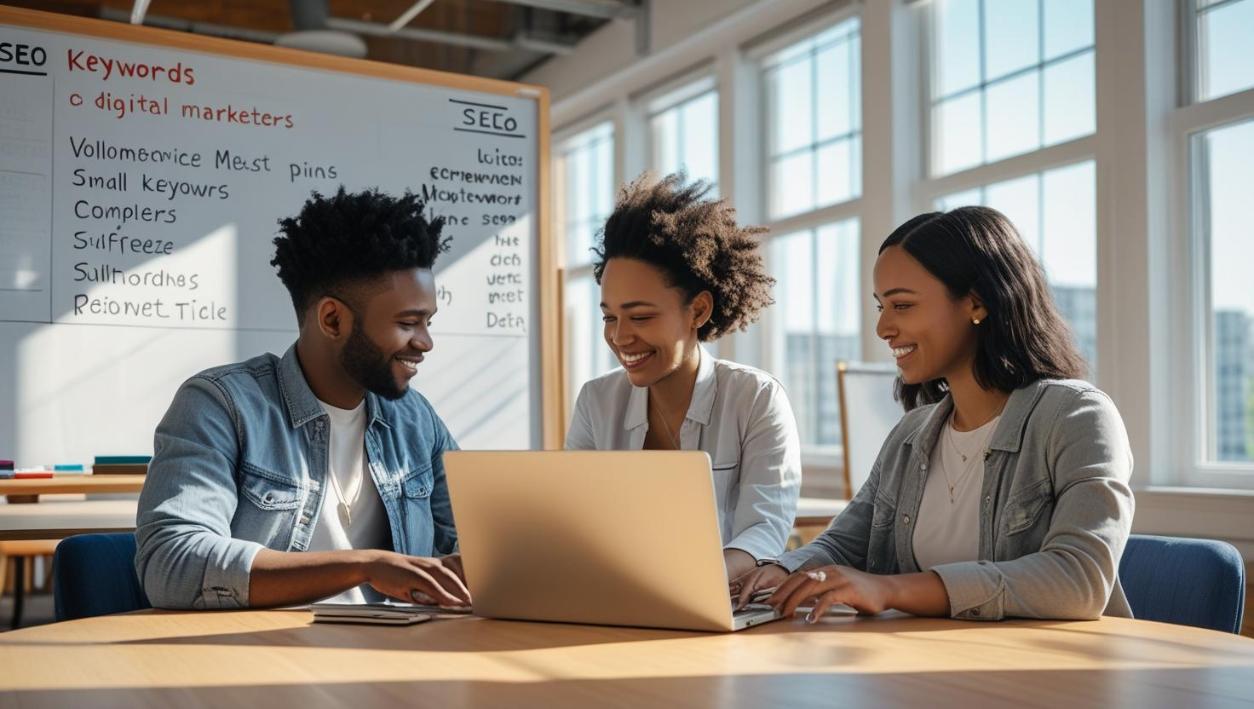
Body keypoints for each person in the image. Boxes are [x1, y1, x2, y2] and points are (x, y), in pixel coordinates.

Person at [734, 206, 1134, 622]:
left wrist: (890, 589)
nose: (883, 328)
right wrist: (781, 570)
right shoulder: (912, 433)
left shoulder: (1077, 416)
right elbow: (841, 546)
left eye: (902, 306)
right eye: (880, 307)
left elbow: (1079, 581)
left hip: (1050, 674)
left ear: (976, 302)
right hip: (930, 668)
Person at [135, 187, 470, 610]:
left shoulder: (414, 418)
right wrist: (362, 567)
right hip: (264, 657)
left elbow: (476, 539)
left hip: (397, 655)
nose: (425, 342)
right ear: (332, 319)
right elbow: (173, 564)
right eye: (408, 323)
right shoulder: (221, 406)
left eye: (428, 322)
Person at [566, 173, 802, 581]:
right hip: (617, 602)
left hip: (716, 601)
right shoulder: (596, 401)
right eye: (609, 317)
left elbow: (765, 530)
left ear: (698, 310)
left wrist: (695, 579)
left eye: (640, 317)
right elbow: (573, 518)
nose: (620, 337)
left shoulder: (756, 398)